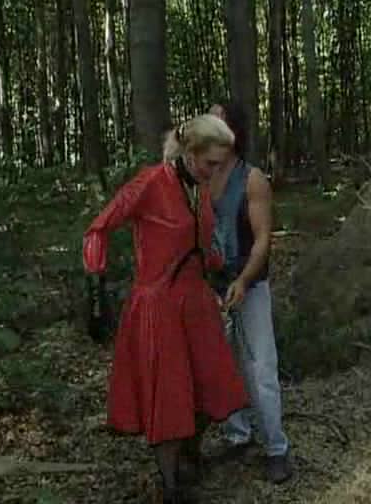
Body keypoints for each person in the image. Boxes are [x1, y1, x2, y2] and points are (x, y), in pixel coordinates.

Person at [82, 114, 248, 503]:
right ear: (190, 153)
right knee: (168, 395)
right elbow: (99, 228)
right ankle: (171, 486)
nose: (216, 171)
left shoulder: (198, 188)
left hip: (196, 301)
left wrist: (224, 271)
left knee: (211, 387)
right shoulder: (150, 182)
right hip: (159, 304)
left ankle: (190, 458)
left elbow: (202, 243)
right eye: (210, 162)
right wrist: (96, 288)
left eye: (221, 164)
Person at [208, 101, 293, 484]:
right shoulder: (200, 177)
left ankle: (276, 447)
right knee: (223, 366)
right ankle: (238, 434)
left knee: (260, 367)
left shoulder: (252, 179)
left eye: (218, 122)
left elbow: (262, 240)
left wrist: (242, 281)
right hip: (212, 287)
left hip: (250, 284)